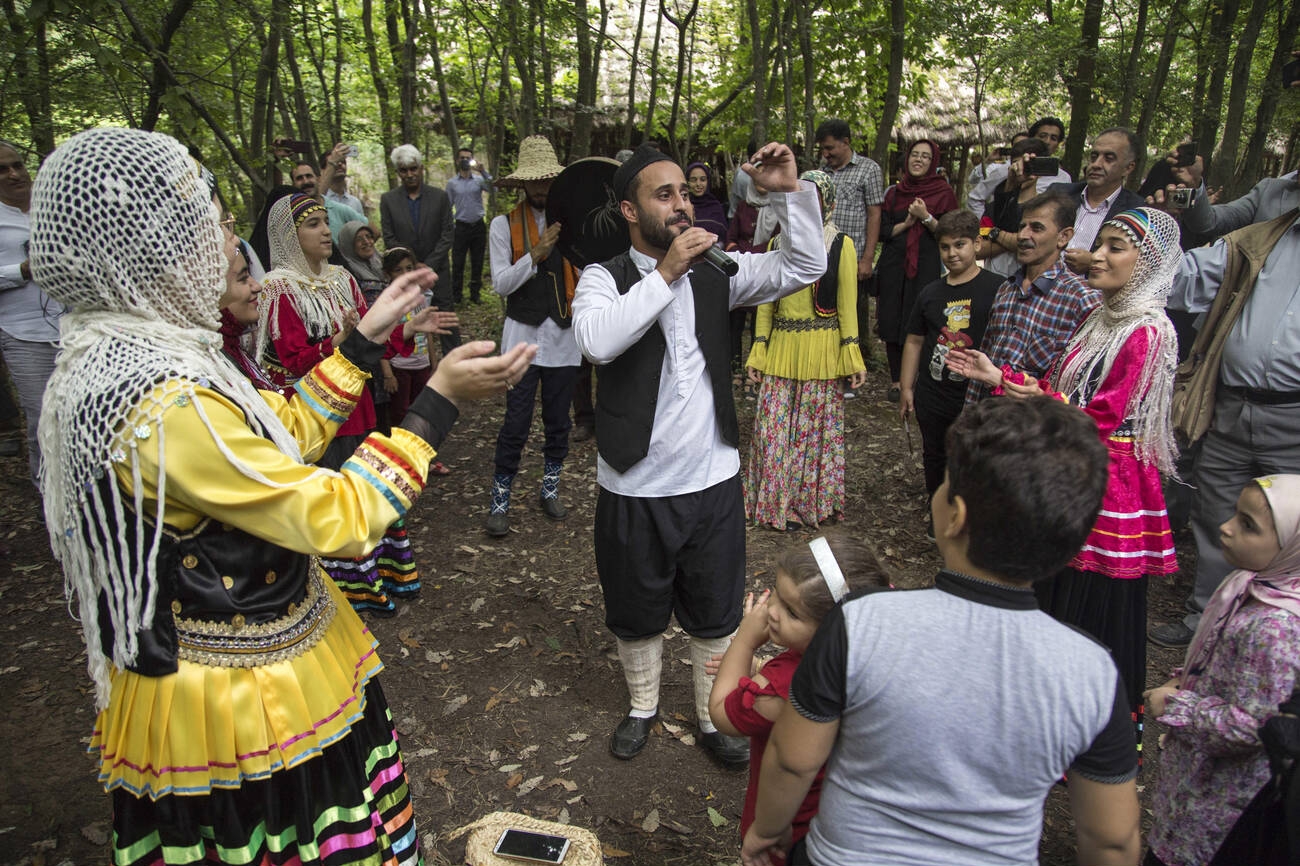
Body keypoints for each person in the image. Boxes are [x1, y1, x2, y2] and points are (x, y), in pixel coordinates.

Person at [30, 126, 534, 866]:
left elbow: (270, 436)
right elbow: (338, 515)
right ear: (154, 253)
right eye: (215, 223)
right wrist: (440, 404)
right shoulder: (157, 400)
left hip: (258, 656)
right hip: (241, 706)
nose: (233, 244)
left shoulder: (139, 353)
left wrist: (364, 338)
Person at [741, 397, 1140, 866]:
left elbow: (793, 757)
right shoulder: (1092, 672)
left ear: (957, 516)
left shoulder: (863, 621)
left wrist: (767, 831)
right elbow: (1113, 840)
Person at [571, 141, 827, 767]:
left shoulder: (719, 270)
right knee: (635, 611)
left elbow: (803, 268)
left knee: (714, 609)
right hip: (633, 484)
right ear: (631, 211)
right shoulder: (606, 277)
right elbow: (597, 342)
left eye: (685, 193)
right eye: (665, 195)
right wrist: (666, 274)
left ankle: (714, 716)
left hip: (712, 478)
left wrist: (788, 191)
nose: (682, 205)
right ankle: (641, 707)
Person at [949, 207, 1183, 754]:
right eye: (1099, 243)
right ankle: (1039, 713)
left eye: (1117, 247)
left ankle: (1094, 735)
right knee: (1054, 591)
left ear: (1147, 262)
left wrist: (1034, 399)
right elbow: (1061, 391)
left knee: (1091, 604)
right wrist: (1000, 377)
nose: (1097, 255)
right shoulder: (1102, 317)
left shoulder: (1148, 330)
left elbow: (1102, 414)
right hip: (1078, 464)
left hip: (1109, 484)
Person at [255, 193, 449, 615]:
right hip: (315, 413)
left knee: (362, 489)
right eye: (312, 225)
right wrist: (344, 340)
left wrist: (408, 328)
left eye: (326, 221)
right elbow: (293, 360)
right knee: (332, 497)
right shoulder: (278, 288)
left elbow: (373, 338)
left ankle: (376, 582)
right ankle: (339, 595)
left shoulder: (343, 279)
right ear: (289, 235)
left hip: (358, 403)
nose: (325, 230)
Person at [1150, 208, 1300, 649]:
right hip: (1229, 403)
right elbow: (1188, 275)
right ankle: (1207, 620)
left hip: (1294, 416)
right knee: (1218, 513)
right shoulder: (1267, 236)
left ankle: (1275, 633)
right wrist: (1131, 250)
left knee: (1288, 526)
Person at [1143, 475, 1300, 866]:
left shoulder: (1275, 627)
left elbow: (1255, 725)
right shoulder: (1249, 585)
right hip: (1197, 781)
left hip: (1220, 803)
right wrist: (1185, 677)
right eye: (1235, 514)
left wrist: (1179, 705)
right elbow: (1224, 661)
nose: (1226, 528)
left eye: (1248, 525)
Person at [709, 534, 889, 864]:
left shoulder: (782, 688)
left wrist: (745, 643)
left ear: (832, 626)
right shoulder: (876, 637)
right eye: (775, 594)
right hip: (852, 815)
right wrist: (761, 666)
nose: (771, 612)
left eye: (791, 612)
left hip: (788, 825)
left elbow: (722, 713)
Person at [743, 170, 867, 531]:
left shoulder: (840, 245)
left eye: (813, 198)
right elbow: (766, 304)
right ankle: (772, 503)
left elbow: (848, 305)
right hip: (781, 346)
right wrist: (759, 348)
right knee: (773, 430)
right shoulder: (775, 244)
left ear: (826, 203)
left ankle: (806, 504)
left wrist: (851, 355)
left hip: (822, 350)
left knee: (813, 434)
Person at [483, 136, 582, 537]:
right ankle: (500, 499)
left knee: (559, 422)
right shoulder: (501, 225)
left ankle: (550, 488)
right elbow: (501, 285)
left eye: (546, 181)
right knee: (516, 422)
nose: (540, 189)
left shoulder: (575, 225)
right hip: (522, 335)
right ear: (522, 184)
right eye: (534, 182)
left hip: (564, 337)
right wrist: (536, 253)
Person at [899, 210, 1003, 515]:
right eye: (945, 247)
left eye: (960, 245)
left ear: (977, 245)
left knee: (972, 454)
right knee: (935, 452)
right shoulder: (931, 292)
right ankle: (939, 510)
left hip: (975, 393)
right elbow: (915, 340)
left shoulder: (998, 288)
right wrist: (907, 387)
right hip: (933, 391)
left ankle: (969, 513)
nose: (952, 253)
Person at [965, 190, 1099, 404]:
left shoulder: (1081, 299)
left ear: (1063, 237)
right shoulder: (1006, 290)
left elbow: (1086, 389)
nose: (1024, 236)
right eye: (1022, 227)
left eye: (1037, 228)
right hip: (989, 422)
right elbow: (983, 366)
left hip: (1036, 428)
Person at [873, 139, 957, 400]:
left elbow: (950, 232)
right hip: (893, 264)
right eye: (914, 155)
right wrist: (908, 223)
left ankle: (916, 378)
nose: (918, 160)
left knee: (917, 318)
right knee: (891, 319)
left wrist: (926, 217)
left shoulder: (943, 192)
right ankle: (897, 381)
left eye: (924, 156)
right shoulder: (895, 193)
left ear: (933, 162)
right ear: (907, 159)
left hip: (925, 264)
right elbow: (884, 232)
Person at [0, 138, 62, 484]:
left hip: (74, 325)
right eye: (2, 169)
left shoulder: (52, 205)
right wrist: (21, 271)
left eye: (17, 165)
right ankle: (48, 493)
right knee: (43, 415)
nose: (13, 174)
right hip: (23, 332)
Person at [381, 143, 459, 353]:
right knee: (409, 320)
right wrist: (412, 264)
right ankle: (417, 369)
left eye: (413, 168)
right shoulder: (388, 200)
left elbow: (447, 233)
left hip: (438, 270)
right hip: (406, 274)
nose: (410, 174)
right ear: (398, 172)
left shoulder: (439, 197)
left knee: (446, 320)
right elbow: (389, 236)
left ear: (421, 168)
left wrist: (429, 264)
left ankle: (456, 364)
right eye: (404, 170)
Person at [1049, 128, 1146, 275]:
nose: (1096, 164)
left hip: (1095, 293)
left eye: (1109, 158)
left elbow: (1141, 267)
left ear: (1128, 168)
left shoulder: (1137, 211)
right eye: (1094, 156)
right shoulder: (1059, 193)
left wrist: (1094, 262)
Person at [339, 220, 396, 430]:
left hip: (393, 339)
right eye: (359, 239)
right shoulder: (349, 274)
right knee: (377, 408)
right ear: (347, 245)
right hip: (370, 346)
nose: (366, 242)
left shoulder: (381, 265)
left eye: (368, 237)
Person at [447, 145, 493, 305]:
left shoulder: (479, 180)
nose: (465, 160)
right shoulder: (452, 183)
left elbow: (493, 188)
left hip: (478, 227)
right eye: (462, 158)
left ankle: (475, 295)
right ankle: (456, 296)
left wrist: (483, 171)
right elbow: (447, 205)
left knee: (477, 261)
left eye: (468, 157)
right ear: (457, 160)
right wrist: (450, 226)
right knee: (458, 262)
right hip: (461, 227)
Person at [686, 161, 729, 242]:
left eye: (702, 179)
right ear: (687, 182)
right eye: (693, 180)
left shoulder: (715, 207)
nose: (698, 184)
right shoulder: (683, 206)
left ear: (708, 181)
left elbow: (724, 238)